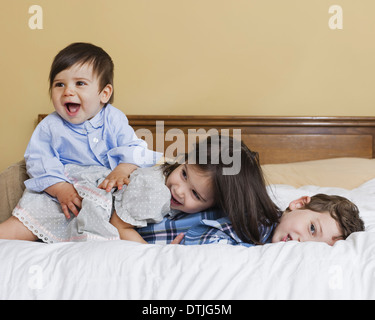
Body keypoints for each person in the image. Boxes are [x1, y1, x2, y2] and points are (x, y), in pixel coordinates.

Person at [5, 134, 281, 244]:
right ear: (183, 159)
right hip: (66, 202)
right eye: (184, 174)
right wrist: (156, 255)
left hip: (76, 201)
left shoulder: (168, 176)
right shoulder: (155, 189)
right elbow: (119, 225)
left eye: (196, 195)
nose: (180, 189)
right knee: (11, 234)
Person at [24, 42, 161, 219]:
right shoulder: (50, 127)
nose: (68, 91)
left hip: (108, 186)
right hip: (70, 189)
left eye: (80, 83)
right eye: (59, 84)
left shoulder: (113, 118)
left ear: (104, 93)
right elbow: (39, 160)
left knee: (147, 183)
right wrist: (60, 188)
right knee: (35, 206)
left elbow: (134, 148)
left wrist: (121, 170)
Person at [139, 194, 365, 247]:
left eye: (312, 247)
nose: (300, 242)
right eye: (312, 228)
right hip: (144, 227)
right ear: (298, 203)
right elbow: (207, 234)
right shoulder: (259, 220)